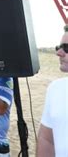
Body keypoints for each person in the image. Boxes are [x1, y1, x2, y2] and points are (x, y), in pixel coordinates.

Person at [37, 25, 68, 156]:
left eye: (66, 48)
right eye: (59, 47)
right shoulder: (55, 89)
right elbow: (47, 140)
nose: (59, 53)